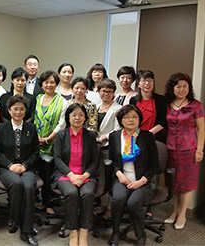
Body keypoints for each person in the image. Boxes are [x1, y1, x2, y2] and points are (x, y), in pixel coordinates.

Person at [108, 105, 159, 246]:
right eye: (127, 117)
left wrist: (141, 181)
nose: (131, 120)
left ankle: (140, 234)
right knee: (118, 199)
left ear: (139, 120)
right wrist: (119, 174)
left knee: (133, 202)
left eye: (134, 117)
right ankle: (115, 232)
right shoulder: (114, 136)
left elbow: (155, 165)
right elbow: (111, 160)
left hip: (143, 181)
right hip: (122, 178)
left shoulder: (147, 137)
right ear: (121, 120)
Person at [0, 95, 39, 246]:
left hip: (27, 168)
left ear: (25, 111)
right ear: (9, 111)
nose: (18, 112)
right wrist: (10, 165)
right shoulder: (1, 128)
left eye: (22, 109)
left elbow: (36, 152)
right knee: (17, 184)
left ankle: (27, 230)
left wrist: (25, 165)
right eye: (15, 109)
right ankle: (14, 217)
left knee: (28, 186)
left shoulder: (31, 128)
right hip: (6, 168)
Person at [53, 103, 99, 246]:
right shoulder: (61, 135)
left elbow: (94, 161)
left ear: (85, 118)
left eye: (80, 115)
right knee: (72, 193)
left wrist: (84, 175)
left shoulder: (90, 136)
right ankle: (73, 232)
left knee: (87, 195)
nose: (77, 118)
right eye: (74, 115)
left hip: (86, 176)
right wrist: (71, 175)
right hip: (65, 175)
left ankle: (84, 233)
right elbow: (57, 159)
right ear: (68, 117)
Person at [163, 73, 204, 230]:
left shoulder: (195, 106)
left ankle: (182, 214)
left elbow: (201, 129)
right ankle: (174, 211)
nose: (181, 89)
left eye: (184, 86)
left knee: (187, 183)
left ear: (189, 88)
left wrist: (199, 150)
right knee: (174, 183)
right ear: (172, 88)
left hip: (189, 150)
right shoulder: (167, 105)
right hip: (170, 149)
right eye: (178, 86)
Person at [34, 70, 68, 214]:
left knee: (49, 174)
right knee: (37, 172)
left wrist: (48, 138)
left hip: (53, 144)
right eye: (46, 82)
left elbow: (61, 124)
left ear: (56, 84)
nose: (49, 85)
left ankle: (49, 203)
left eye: (52, 82)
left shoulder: (62, 101)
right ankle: (40, 201)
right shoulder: (37, 99)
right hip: (35, 143)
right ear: (42, 84)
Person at [96, 78, 122, 220]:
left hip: (109, 147)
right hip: (96, 147)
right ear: (98, 92)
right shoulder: (96, 107)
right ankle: (103, 205)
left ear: (113, 93)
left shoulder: (117, 109)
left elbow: (118, 129)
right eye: (103, 91)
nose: (106, 93)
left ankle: (111, 209)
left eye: (109, 91)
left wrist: (103, 138)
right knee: (101, 178)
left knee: (110, 177)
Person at [130, 70, 167, 143]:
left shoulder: (161, 100)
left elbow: (163, 122)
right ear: (138, 84)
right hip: (136, 137)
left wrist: (147, 135)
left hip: (155, 138)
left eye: (150, 80)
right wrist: (137, 135)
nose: (147, 83)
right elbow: (131, 120)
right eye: (144, 81)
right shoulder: (133, 100)